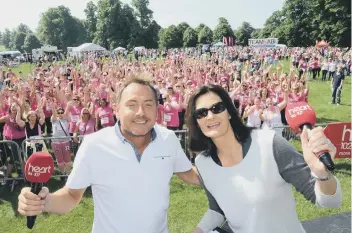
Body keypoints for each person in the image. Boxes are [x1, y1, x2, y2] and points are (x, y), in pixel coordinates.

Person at [18, 75, 200, 233]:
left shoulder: (168, 138)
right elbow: (72, 196)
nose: (140, 112)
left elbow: (188, 173)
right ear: (117, 109)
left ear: (156, 109)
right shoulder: (94, 144)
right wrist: (43, 201)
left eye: (148, 105)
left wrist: (225, 172)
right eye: (132, 104)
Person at [186, 84, 342, 233]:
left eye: (217, 108)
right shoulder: (203, 164)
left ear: (228, 112)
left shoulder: (270, 143)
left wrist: (322, 174)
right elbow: (217, 209)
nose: (210, 116)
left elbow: (330, 201)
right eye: (202, 113)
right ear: (197, 122)